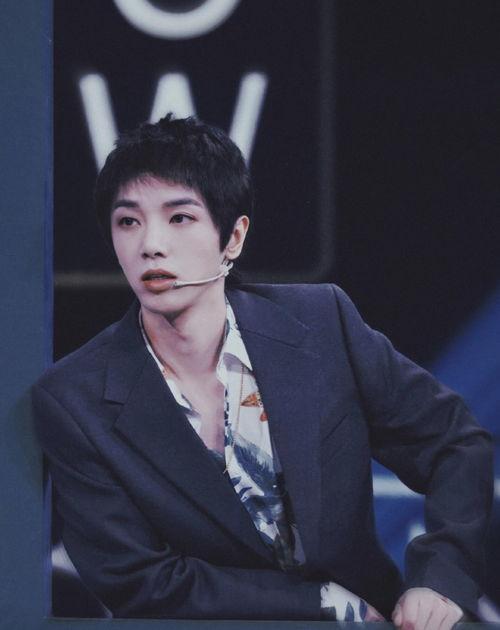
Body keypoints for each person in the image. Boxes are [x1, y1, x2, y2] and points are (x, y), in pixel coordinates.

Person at [33, 114, 493, 626]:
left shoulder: (321, 323)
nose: (150, 244)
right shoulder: (75, 399)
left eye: (179, 217)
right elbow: (141, 582)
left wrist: (440, 577)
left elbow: (454, 444)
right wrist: (325, 604)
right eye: (128, 221)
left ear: (233, 237)